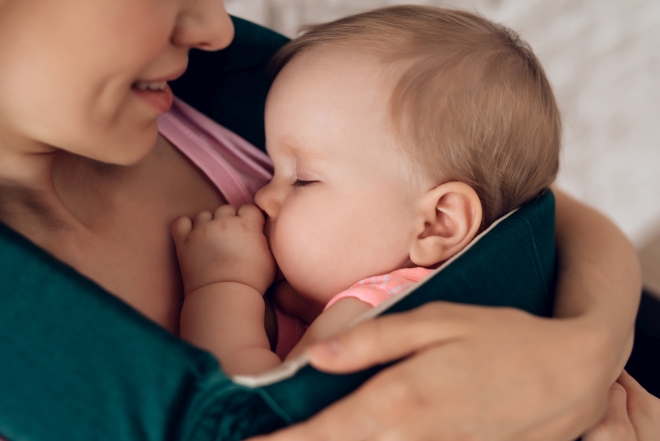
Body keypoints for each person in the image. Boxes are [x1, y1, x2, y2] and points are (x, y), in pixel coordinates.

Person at [0, 0, 642, 440]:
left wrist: (589, 347)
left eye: (300, 180)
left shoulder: (195, 87)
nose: (215, 26)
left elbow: (525, 196)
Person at [173, 7, 562, 375]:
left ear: (436, 224)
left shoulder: (378, 313)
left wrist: (222, 285)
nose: (262, 197)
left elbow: (251, 410)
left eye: (302, 179)